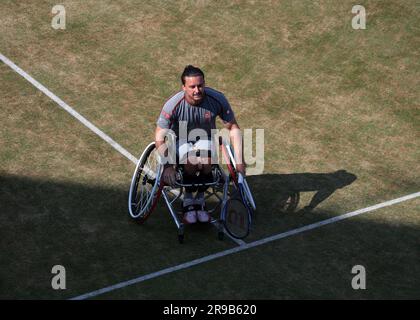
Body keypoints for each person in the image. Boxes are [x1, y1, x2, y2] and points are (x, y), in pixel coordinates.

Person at [155, 65, 245, 224]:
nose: (197, 90)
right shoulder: (173, 104)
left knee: (207, 161)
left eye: (200, 85)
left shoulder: (217, 99)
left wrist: (239, 161)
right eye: (192, 87)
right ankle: (189, 200)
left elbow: (233, 128)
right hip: (180, 140)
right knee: (191, 161)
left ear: (204, 83)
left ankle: (200, 199)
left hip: (206, 140)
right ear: (183, 87)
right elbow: (159, 136)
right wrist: (168, 166)